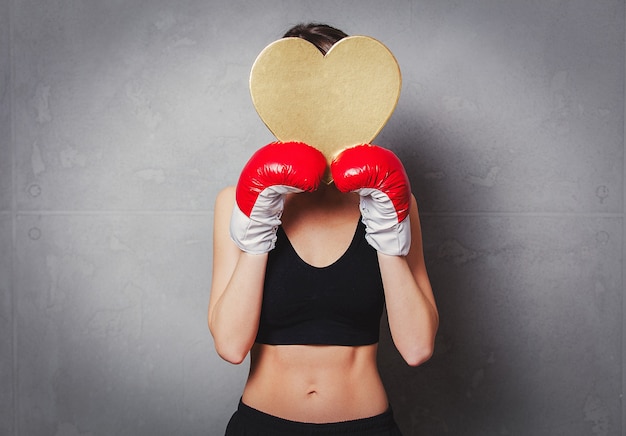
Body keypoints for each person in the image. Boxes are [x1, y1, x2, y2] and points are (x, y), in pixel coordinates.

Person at [208, 23, 439, 436]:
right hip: (262, 424)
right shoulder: (236, 201)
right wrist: (257, 231)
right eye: (303, 97)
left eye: (334, 96)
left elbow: (418, 347)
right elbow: (230, 345)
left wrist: (389, 235)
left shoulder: (391, 201)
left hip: (365, 425)